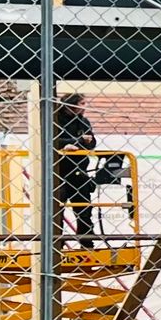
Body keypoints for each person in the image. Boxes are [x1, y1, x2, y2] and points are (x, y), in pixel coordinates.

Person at [51, 93, 99, 237]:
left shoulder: (83, 121)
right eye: (82, 103)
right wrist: (73, 142)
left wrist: (88, 141)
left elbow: (91, 143)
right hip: (60, 172)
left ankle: (87, 242)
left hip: (79, 171)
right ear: (71, 104)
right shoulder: (56, 120)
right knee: (57, 210)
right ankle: (57, 242)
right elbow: (54, 140)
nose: (85, 107)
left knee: (84, 211)